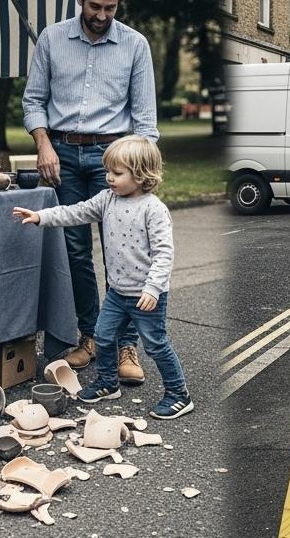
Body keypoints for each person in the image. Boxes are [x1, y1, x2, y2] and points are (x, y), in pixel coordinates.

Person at [23, 0, 158, 383]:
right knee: (76, 253)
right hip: (62, 155)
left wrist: (142, 170)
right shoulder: (52, 38)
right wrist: (43, 145)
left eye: (110, 8)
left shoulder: (135, 45)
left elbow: (146, 120)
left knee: (126, 253)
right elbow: (33, 100)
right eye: (95, 6)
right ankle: (92, 337)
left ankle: (127, 348)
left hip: (114, 159)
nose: (101, 15)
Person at [12, 136, 193, 419]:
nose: (108, 178)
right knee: (104, 337)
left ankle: (178, 394)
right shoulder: (107, 199)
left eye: (117, 173)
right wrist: (41, 216)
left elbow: (163, 254)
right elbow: (76, 212)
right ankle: (108, 383)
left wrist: (153, 288)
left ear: (142, 174)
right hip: (118, 294)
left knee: (156, 345)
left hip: (146, 296)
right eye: (108, 171)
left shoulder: (154, 209)